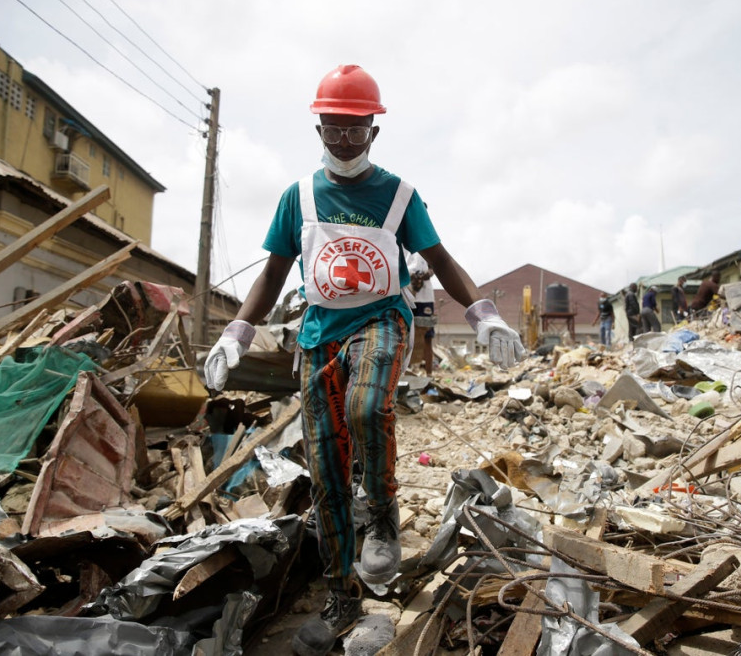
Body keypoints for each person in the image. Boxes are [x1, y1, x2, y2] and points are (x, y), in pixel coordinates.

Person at [202, 64, 527, 656]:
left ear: (374, 130)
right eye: (334, 127)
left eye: (356, 128)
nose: (345, 139)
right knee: (326, 470)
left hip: (380, 321)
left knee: (368, 403)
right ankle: (342, 596)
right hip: (318, 334)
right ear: (319, 128)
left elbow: (440, 258)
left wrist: (484, 315)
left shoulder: (397, 194)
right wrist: (237, 334)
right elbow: (273, 273)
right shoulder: (296, 198)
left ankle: (380, 511)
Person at [405, 250, 436, 373]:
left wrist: (425, 275)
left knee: (427, 336)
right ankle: (403, 374)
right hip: (406, 294)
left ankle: (428, 377)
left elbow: (433, 267)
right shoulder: (399, 243)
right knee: (404, 335)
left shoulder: (425, 245)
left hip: (425, 297)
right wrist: (411, 277)